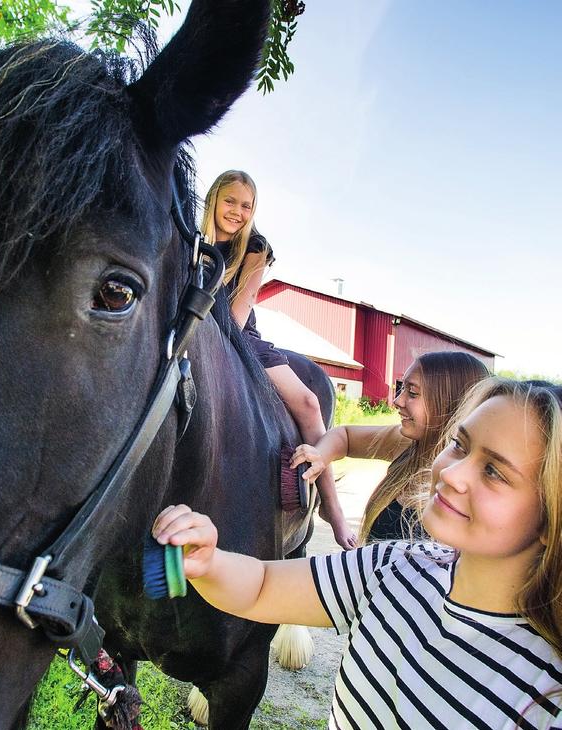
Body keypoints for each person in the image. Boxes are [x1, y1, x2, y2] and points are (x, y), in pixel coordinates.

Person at [153, 378, 562, 729]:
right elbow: (260, 588)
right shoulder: (395, 565)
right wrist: (209, 562)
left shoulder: (546, 694)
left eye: (494, 471)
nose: (452, 473)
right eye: (459, 444)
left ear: (550, 516)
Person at [202, 170, 355, 548]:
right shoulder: (192, 243)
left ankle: (331, 507)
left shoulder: (254, 247)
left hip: (238, 339)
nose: (237, 211)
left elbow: (237, 316)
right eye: (230, 201)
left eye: (246, 205)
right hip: (197, 336)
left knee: (307, 401)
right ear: (214, 200)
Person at [290, 351, 489, 543]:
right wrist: (321, 455)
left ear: (449, 403)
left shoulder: (467, 490)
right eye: (402, 389)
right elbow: (345, 436)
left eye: (412, 393)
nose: (396, 401)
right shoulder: (408, 444)